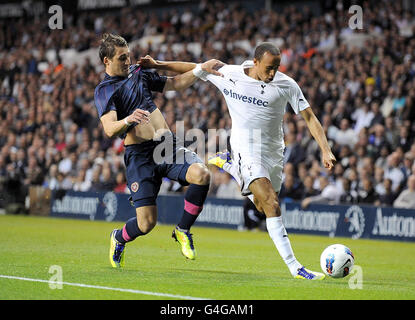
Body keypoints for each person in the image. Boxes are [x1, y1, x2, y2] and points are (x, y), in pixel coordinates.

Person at [143, 42, 336, 280]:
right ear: (255, 62)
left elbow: (309, 117)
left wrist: (325, 150)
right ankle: (296, 267)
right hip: (246, 148)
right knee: (271, 203)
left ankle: (231, 166)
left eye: (276, 67)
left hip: (274, 151)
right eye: (268, 67)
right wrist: (158, 64)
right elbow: (195, 67)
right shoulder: (229, 73)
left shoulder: (286, 84)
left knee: (261, 206)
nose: (273, 73)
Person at [94, 33, 222, 268]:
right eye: (122, 58)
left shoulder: (138, 74)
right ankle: (118, 237)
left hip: (166, 147)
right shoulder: (104, 90)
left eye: (128, 56)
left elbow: (175, 83)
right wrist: (129, 120)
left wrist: (201, 69)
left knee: (202, 175)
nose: (127, 62)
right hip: (140, 157)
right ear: (106, 61)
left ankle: (182, 230)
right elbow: (109, 128)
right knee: (146, 224)